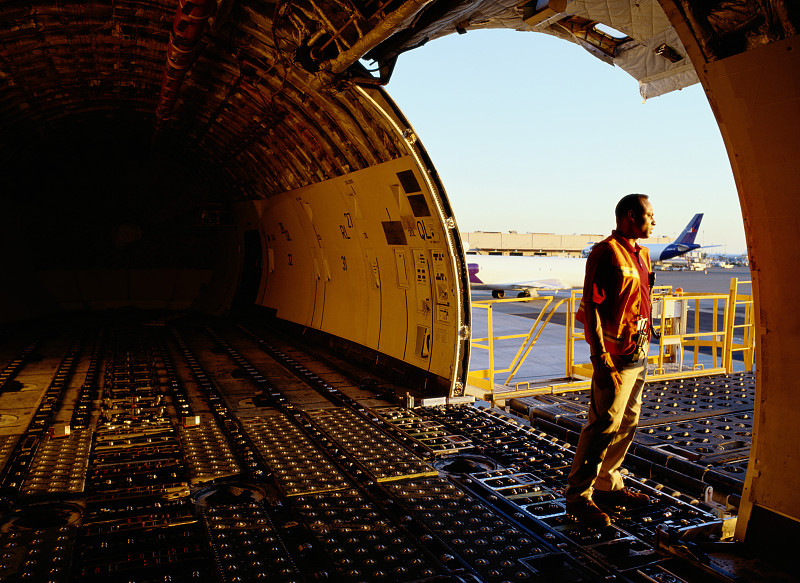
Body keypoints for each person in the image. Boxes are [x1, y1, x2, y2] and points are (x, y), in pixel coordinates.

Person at [565, 193, 656, 528]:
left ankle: (608, 485)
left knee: (627, 423)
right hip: (614, 359)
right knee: (602, 426)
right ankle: (578, 499)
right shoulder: (606, 253)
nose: (654, 221)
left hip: (638, 352)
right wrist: (600, 358)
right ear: (630, 216)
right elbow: (592, 307)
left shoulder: (642, 254)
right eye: (650, 215)